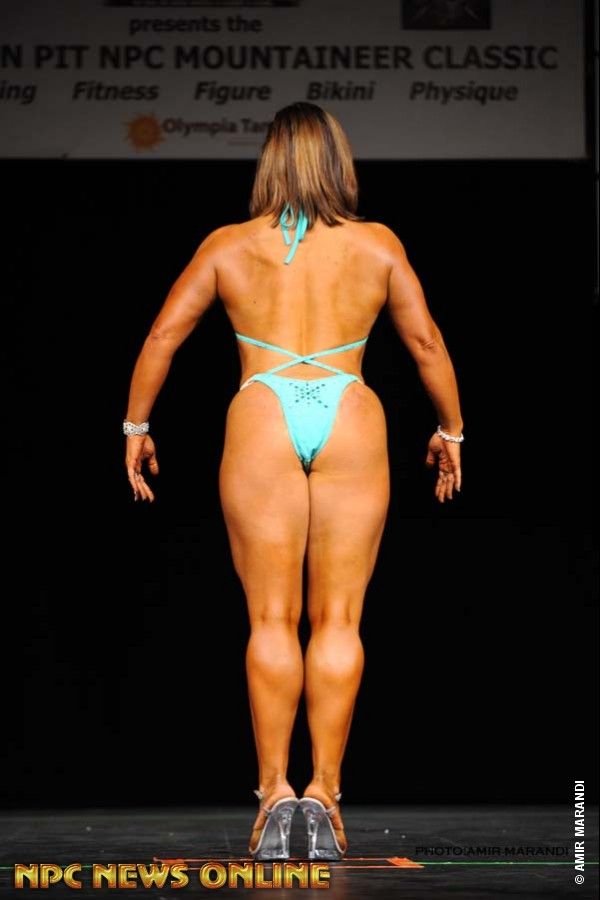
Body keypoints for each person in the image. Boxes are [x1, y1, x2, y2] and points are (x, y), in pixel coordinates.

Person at [123, 102, 464, 861]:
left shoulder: (228, 245)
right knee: (339, 620)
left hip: (262, 413)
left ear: (268, 163)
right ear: (339, 162)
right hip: (349, 410)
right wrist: (452, 431)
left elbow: (163, 335)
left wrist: (135, 427)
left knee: (271, 620)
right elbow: (425, 342)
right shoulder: (376, 244)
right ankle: (326, 796)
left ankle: (275, 793)